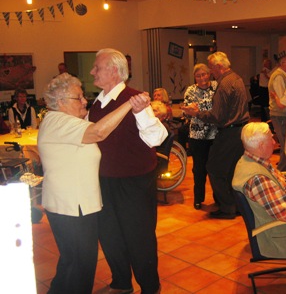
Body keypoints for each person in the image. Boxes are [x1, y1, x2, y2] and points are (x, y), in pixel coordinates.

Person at [38, 73, 141, 294]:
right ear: (61, 101)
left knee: (72, 263)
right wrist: (128, 104)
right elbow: (99, 131)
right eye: (79, 97)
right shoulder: (57, 120)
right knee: (80, 267)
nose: (85, 101)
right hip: (71, 206)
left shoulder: (72, 121)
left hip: (76, 205)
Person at [88, 48, 167, 294]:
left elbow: (156, 138)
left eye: (97, 67)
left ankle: (150, 288)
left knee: (139, 238)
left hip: (134, 183)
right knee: (110, 235)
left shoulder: (136, 99)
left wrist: (139, 113)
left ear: (113, 70)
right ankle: (121, 283)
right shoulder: (97, 102)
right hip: (104, 180)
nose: (92, 71)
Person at [182, 51, 250, 219]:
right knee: (232, 170)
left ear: (219, 66)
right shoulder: (237, 79)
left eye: (211, 68)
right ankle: (236, 205)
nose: (210, 72)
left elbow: (216, 116)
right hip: (240, 130)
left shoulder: (225, 84)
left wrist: (197, 112)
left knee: (214, 168)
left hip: (229, 132)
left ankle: (227, 207)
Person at [183, 63, 218, 210]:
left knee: (216, 169)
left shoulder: (216, 86)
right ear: (194, 77)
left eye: (204, 74)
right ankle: (198, 199)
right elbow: (187, 111)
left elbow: (217, 109)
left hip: (216, 135)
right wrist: (196, 110)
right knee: (199, 169)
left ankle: (219, 198)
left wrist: (198, 109)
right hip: (197, 136)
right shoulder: (191, 90)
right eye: (198, 75)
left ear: (209, 74)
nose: (202, 78)